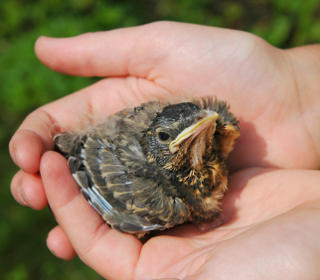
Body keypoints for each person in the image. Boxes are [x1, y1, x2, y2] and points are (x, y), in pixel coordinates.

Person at [9, 21, 320, 280]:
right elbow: (83, 167)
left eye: (202, 122)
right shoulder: (162, 200)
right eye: (165, 136)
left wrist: (295, 85)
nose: (203, 124)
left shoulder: (217, 131)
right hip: (97, 150)